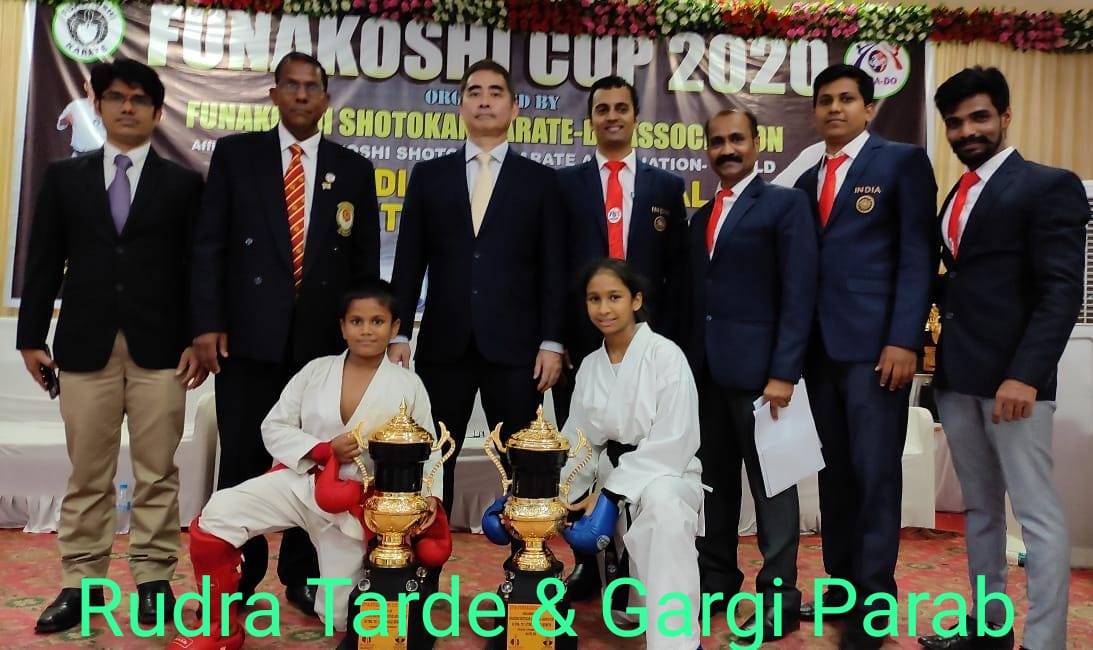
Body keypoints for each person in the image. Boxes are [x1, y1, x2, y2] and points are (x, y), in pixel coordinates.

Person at [17, 59, 205, 633]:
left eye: (140, 99)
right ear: (97, 104)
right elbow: (43, 260)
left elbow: (198, 269)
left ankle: (153, 581)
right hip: (83, 345)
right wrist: (30, 338)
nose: (128, 107)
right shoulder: (64, 179)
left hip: (163, 350)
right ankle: (82, 584)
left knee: (158, 471)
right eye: (117, 97)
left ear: (157, 111)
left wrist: (198, 337)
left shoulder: (183, 184)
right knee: (88, 473)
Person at [190, 51, 380, 613]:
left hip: (320, 349)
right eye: (291, 86)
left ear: (326, 99)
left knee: (318, 462)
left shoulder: (353, 169)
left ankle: (302, 574)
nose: (301, 95)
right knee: (244, 457)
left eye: (311, 87)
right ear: (273, 94)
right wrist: (207, 323)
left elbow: (364, 265)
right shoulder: (237, 156)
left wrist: (361, 343)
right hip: (246, 341)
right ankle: (238, 576)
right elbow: (209, 246)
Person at [167, 282, 449, 649]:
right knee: (219, 513)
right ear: (342, 326)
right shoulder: (316, 371)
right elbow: (273, 426)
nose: (366, 330)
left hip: (358, 507)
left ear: (395, 327)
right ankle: (219, 626)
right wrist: (322, 449)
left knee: (340, 616)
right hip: (302, 483)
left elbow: (429, 448)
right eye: (357, 321)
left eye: (377, 321)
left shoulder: (408, 385)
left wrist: (429, 499)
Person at [917, 67, 1086, 650]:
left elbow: (1061, 291)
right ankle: (990, 630)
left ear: (1006, 116)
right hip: (958, 378)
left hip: (1016, 385)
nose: (968, 131)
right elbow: (966, 281)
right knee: (980, 512)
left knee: (1035, 515)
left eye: (980, 117)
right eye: (955, 122)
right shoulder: (955, 195)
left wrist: (1026, 375)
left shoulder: (1048, 185)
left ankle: (1045, 641)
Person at [792, 64, 937, 650]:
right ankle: (842, 588)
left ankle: (874, 606)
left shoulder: (901, 163)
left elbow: (918, 255)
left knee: (875, 475)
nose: (834, 108)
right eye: (825, 100)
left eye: (846, 99)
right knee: (835, 477)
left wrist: (905, 339)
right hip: (820, 352)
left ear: (868, 108)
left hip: (879, 352)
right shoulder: (808, 180)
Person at [388, 59, 566, 517]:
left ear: (514, 108)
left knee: (522, 462)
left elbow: (554, 268)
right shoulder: (429, 176)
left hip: (518, 350)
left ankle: (527, 556)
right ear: (461, 106)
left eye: (495, 92)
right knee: (432, 460)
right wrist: (399, 332)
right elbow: (409, 261)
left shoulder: (542, 182)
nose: (484, 101)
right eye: (474, 92)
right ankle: (426, 557)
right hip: (444, 345)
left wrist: (552, 341)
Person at [555, 74, 690, 600]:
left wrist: (668, 341)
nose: (611, 116)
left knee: (655, 485)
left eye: (621, 108)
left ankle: (639, 572)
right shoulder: (565, 185)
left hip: (647, 342)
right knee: (580, 456)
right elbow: (551, 270)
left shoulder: (665, 187)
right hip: (583, 342)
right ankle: (590, 565)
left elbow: (677, 273)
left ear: (636, 117)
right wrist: (556, 339)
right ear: (590, 119)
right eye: (602, 108)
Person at [689, 108, 818, 640]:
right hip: (707, 379)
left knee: (774, 490)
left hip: (766, 380)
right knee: (713, 487)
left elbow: (799, 292)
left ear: (756, 143)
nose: (727, 149)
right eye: (717, 142)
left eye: (736, 139)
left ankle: (778, 597)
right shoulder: (699, 217)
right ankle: (716, 581)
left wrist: (785, 371)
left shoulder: (785, 206)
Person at [558, 258, 704, 650]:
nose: (603, 308)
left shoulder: (666, 355)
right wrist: (556, 491)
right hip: (613, 475)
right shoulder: (591, 366)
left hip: (669, 472)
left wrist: (611, 493)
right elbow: (579, 441)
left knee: (663, 505)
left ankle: (678, 644)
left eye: (614, 297)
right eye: (594, 299)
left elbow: (677, 438)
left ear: (636, 300)